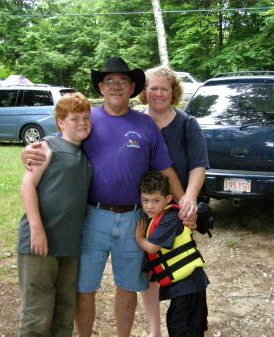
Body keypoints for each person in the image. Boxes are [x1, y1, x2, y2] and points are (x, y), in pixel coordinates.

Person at [22, 56, 195, 337]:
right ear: (101, 87)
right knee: (84, 287)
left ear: (132, 88)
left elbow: (166, 169)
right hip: (92, 217)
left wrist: (185, 203)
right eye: (110, 81)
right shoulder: (88, 121)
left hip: (133, 219)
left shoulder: (146, 124)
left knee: (127, 287)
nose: (116, 86)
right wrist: (28, 151)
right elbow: (55, 145)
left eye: (123, 81)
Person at [138, 66, 209, 337]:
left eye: (164, 89)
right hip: (144, 209)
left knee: (182, 269)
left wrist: (188, 199)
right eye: (152, 88)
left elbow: (198, 166)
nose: (158, 93)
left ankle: (190, 327)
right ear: (144, 91)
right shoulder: (136, 122)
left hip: (177, 210)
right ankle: (155, 330)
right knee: (150, 270)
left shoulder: (187, 124)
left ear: (173, 92)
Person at [17, 92, 93, 337]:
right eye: (74, 118)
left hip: (69, 244)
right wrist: (37, 229)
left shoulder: (85, 153)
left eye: (85, 118)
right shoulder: (47, 147)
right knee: (37, 314)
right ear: (61, 122)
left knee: (64, 312)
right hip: (40, 243)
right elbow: (27, 186)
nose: (82, 123)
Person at [136, 171, 210, 337]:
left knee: (180, 327)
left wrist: (139, 238)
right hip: (188, 284)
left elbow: (152, 248)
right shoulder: (157, 219)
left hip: (189, 284)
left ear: (168, 199)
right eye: (145, 200)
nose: (149, 206)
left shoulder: (168, 219)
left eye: (156, 201)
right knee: (194, 327)